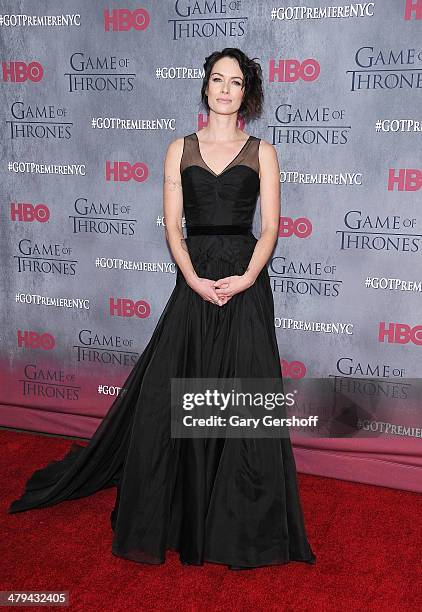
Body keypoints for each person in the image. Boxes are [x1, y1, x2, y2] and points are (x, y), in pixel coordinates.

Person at [8, 47, 316, 570]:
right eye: (217, 79)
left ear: (247, 92)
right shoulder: (178, 149)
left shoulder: (263, 152)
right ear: (205, 86)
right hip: (194, 279)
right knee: (179, 390)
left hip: (244, 278)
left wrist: (245, 278)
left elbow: (270, 228)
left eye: (235, 81)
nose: (224, 88)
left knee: (244, 393)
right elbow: (173, 227)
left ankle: (242, 521)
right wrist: (193, 279)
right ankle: (186, 509)